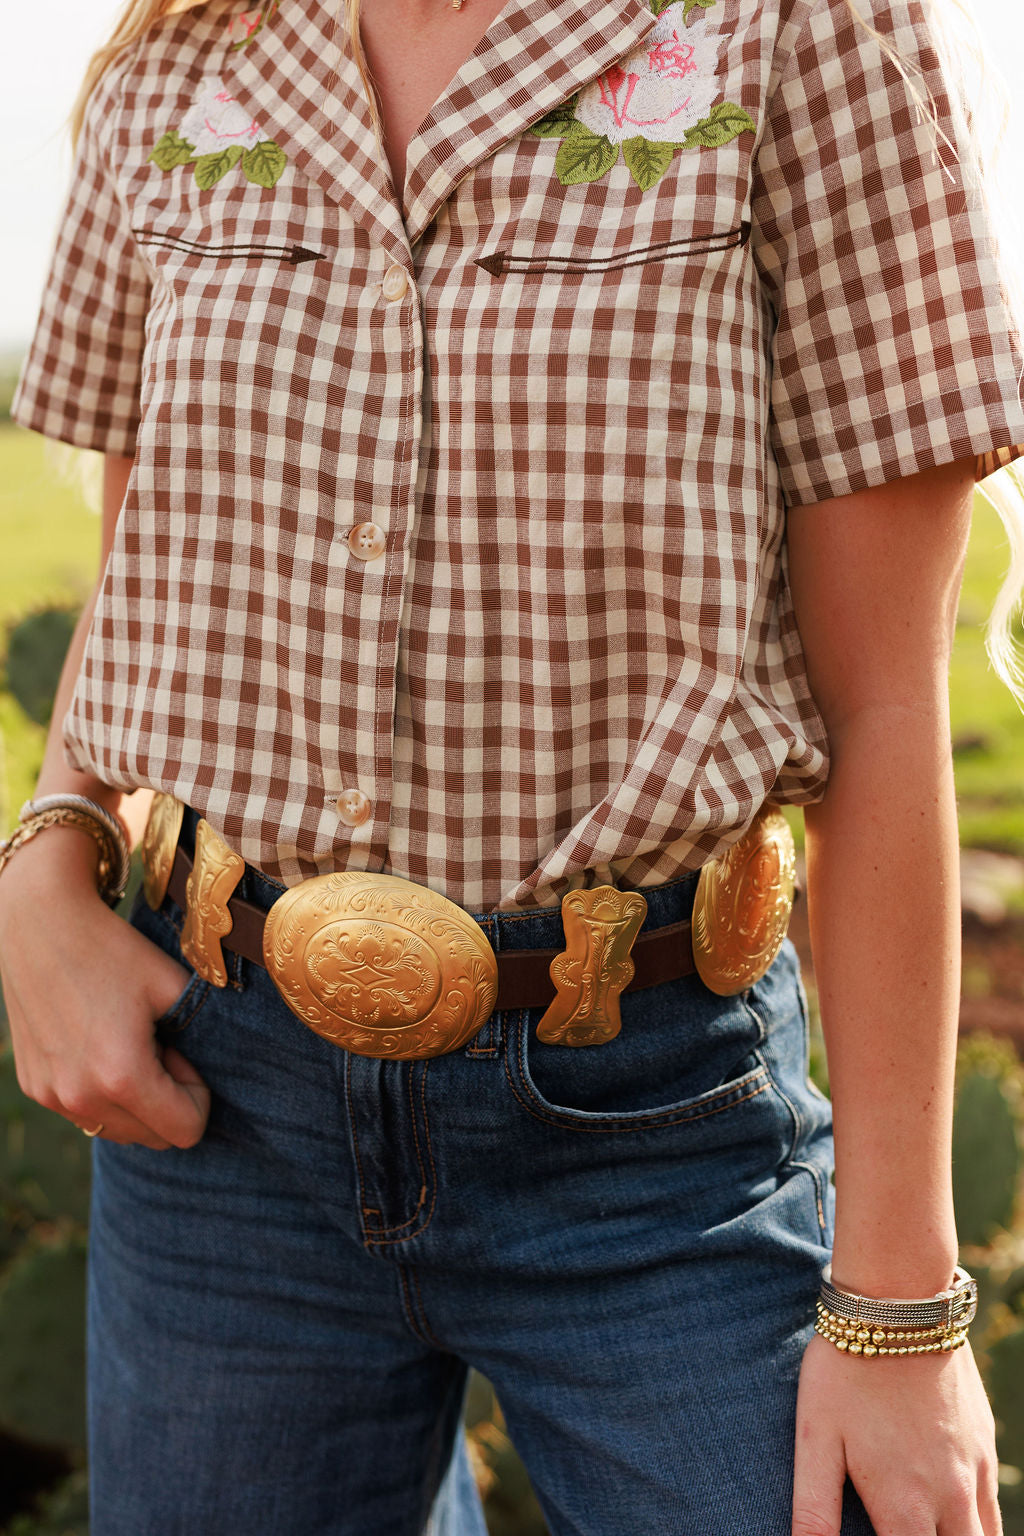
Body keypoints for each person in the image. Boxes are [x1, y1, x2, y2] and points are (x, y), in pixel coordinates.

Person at [1, 0, 1022, 1528]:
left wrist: (899, 1308)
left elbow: (882, 717)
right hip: (225, 1128)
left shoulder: (796, 35)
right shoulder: (184, 66)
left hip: (661, 1145)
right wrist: (45, 865)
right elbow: (153, 584)